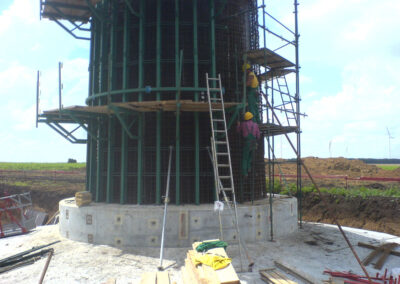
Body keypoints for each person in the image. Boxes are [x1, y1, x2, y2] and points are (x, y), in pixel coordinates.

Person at [237, 112, 260, 176]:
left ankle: (244, 172)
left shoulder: (242, 124)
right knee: (250, 157)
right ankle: (249, 168)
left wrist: (238, 125)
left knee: (245, 158)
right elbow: (258, 136)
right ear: (251, 117)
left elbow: (238, 131)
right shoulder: (255, 125)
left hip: (247, 142)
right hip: (254, 143)